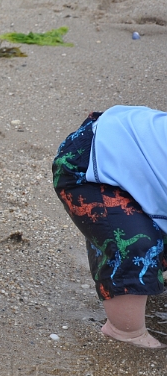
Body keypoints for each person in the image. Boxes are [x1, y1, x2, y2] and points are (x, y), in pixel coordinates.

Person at [53, 105, 166, 348]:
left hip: (132, 160)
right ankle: (126, 331)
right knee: (136, 244)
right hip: (88, 163)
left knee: (147, 235)